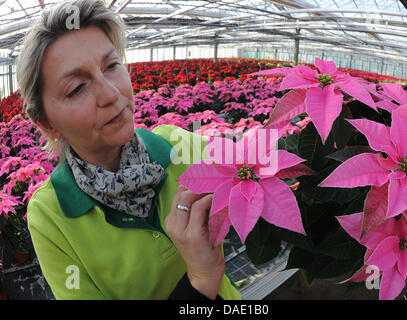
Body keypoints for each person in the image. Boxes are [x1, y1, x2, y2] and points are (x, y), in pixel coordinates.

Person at [17, 0, 241, 300]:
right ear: (46, 123)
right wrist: (201, 279)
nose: (111, 93)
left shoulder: (178, 145)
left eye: (111, 66)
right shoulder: (49, 214)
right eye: (77, 88)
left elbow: (259, 168)